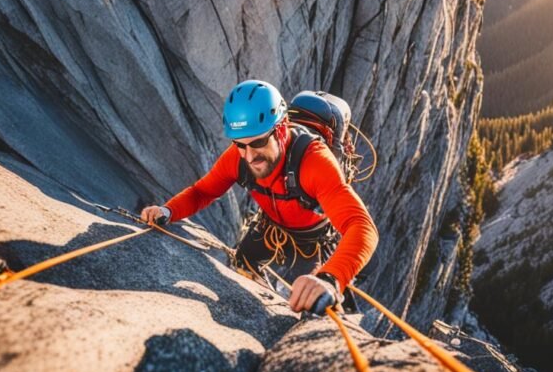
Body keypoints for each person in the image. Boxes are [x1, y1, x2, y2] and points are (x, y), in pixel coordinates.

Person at [141, 79, 378, 314]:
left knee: (317, 305)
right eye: (240, 144)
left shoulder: (314, 162)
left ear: (282, 128)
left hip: (313, 241)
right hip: (271, 226)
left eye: (259, 142)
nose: (249, 155)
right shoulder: (239, 156)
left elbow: (362, 226)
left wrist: (331, 279)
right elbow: (203, 192)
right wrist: (168, 211)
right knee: (243, 262)